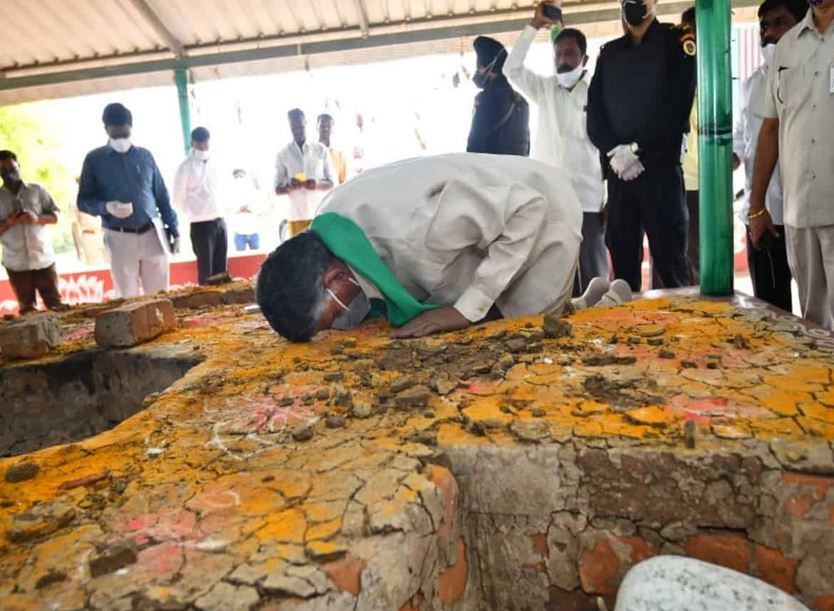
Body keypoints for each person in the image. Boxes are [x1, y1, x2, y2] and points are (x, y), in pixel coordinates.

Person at [256, 153, 632, 343]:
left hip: (541, 208)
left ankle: (610, 304)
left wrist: (463, 310)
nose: (344, 323)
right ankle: (585, 300)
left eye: (335, 316)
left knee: (529, 329)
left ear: (335, 277)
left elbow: (527, 209)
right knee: (494, 311)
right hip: (492, 220)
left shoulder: (414, 229)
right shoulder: (331, 226)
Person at [587, 0, 697, 292]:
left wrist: (635, 149)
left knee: (671, 265)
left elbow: (677, 105)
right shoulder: (609, 52)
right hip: (619, 173)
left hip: (659, 171)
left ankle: (681, 323)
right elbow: (594, 113)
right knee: (622, 270)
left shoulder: (677, 40)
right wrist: (615, 152)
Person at [504, 3, 608, 293]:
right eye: (558, 54)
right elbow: (511, 68)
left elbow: (608, 145)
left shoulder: (598, 91)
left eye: (570, 53)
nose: (563, 59)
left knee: (593, 273)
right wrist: (534, 26)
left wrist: (609, 195)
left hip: (588, 197)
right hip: (551, 196)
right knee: (555, 273)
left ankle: (602, 317)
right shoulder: (545, 89)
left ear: (584, 57)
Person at [750, 0, 834, 329]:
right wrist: (757, 206)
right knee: (812, 320)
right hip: (799, 209)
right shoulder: (787, 47)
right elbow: (771, 128)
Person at [733, 0, 807, 312]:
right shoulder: (753, 83)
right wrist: (731, 157)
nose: (769, 33)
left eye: (780, 23)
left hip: (807, 213)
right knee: (769, 310)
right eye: (764, 26)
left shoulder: (816, 74)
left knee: (817, 310)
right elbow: (743, 136)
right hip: (762, 215)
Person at [77, 103, 179, 298]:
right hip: (119, 237)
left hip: (152, 233)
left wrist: (174, 229)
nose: (121, 139)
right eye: (116, 135)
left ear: (131, 127)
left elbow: (161, 196)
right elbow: (83, 201)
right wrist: (107, 207)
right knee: (127, 297)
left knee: (160, 296)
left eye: (124, 134)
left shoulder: (145, 156)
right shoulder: (94, 160)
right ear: (106, 129)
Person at [0, 150, 67, 314]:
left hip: (43, 259)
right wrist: (9, 222)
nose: (9, 173)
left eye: (12, 169)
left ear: (19, 166)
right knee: (28, 311)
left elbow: (56, 216)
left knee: (56, 306)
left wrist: (37, 218)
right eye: (3, 170)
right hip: (16, 263)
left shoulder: (37, 190)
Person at [173, 127, 228, 285]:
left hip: (219, 219)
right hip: (200, 223)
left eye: (206, 144)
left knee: (221, 269)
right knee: (206, 271)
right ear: (192, 143)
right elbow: (178, 197)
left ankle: (223, 299)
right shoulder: (186, 166)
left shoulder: (216, 162)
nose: (203, 148)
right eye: (200, 145)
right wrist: (194, 211)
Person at [274, 109, 334, 237]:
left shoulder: (321, 150)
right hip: (296, 216)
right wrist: (289, 186)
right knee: (298, 250)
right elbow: (277, 189)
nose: (297, 131)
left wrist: (316, 185)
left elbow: (332, 183)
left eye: (300, 127)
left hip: (319, 214)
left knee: (323, 249)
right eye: (294, 128)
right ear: (289, 127)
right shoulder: (282, 155)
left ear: (306, 123)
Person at [466, 36, 531, 156]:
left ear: (487, 66)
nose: (478, 71)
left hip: (491, 167)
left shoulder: (485, 99)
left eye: (479, 67)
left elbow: (475, 144)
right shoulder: (522, 101)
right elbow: (525, 146)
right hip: (519, 167)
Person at [229, 169, 261, 252]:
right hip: (239, 232)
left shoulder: (252, 190)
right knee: (240, 258)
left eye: (241, 176)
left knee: (257, 257)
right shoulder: (231, 192)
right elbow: (228, 210)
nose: (239, 178)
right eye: (237, 176)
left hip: (253, 231)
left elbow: (259, 208)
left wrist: (249, 210)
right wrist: (239, 209)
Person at [317, 114, 347, 185]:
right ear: (317, 128)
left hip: (335, 191)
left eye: (328, 126)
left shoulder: (340, 155)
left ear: (332, 129)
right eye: (322, 126)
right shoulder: (310, 152)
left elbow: (343, 182)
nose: (325, 129)